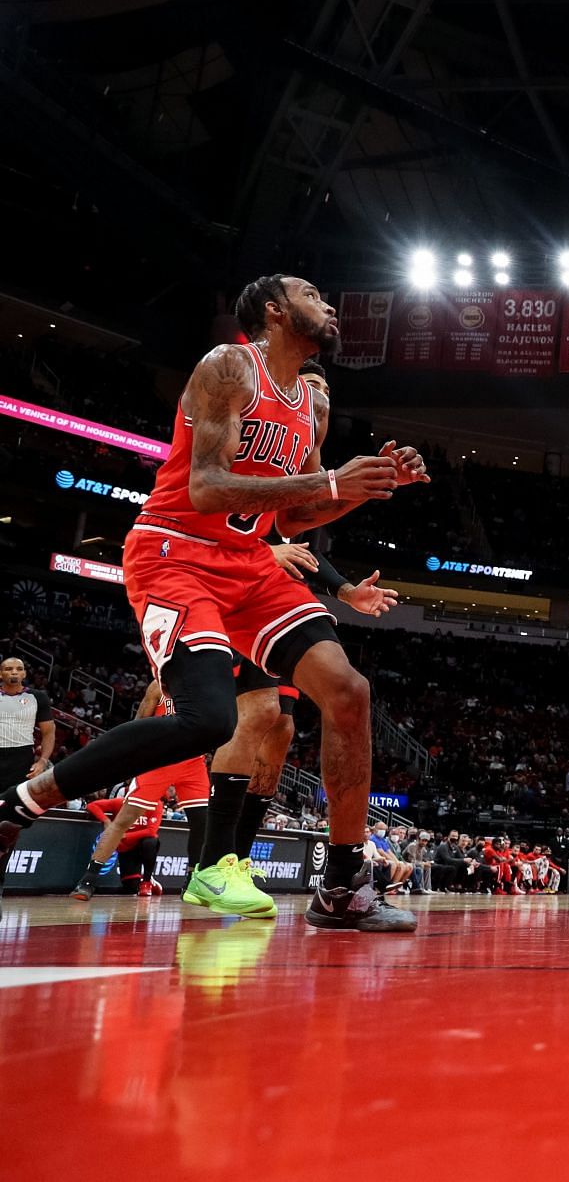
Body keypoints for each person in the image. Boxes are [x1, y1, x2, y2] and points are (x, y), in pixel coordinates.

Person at [0, 275, 426, 932]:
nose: (331, 304)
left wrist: (360, 489)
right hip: (175, 554)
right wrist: (335, 478)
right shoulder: (230, 366)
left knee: (348, 691)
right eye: (313, 293)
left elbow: (296, 514)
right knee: (207, 719)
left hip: (251, 565)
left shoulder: (307, 405)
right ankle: (24, 802)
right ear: (277, 311)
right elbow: (204, 487)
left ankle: (343, 886)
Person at [200, 359, 400, 886]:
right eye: (309, 385)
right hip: (220, 580)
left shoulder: (303, 453)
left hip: (267, 586)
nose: (318, 395)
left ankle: (242, 861)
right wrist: (271, 552)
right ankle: (216, 860)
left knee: (286, 726)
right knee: (257, 713)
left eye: (326, 388)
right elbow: (218, 506)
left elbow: (296, 529)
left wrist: (344, 588)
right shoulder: (253, 415)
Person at [69, 681, 217, 905]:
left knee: (202, 822)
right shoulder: (160, 684)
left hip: (193, 762)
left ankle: (192, 880)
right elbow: (138, 723)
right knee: (124, 818)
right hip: (158, 760)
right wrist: (133, 756)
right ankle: (88, 879)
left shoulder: (209, 684)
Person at [0, 656, 55, 882]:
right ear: (1, 674)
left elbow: (49, 732)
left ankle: (0, 878)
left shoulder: (37, 697)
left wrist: (42, 761)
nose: (14, 672)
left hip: (21, 761)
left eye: (19, 669)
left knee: (9, 824)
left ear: (24, 674)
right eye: (8, 668)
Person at [76, 795, 165, 897]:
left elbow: (151, 831)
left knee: (150, 842)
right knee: (131, 888)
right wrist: (106, 821)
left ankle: (147, 881)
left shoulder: (155, 804)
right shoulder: (120, 803)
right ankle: (146, 883)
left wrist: (125, 835)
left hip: (141, 845)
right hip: (126, 850)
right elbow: (92, 806)